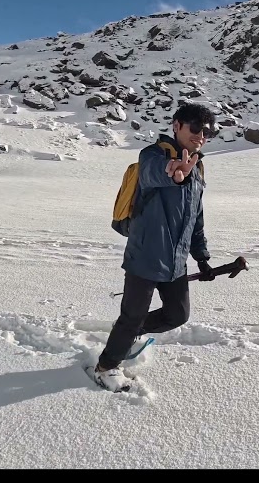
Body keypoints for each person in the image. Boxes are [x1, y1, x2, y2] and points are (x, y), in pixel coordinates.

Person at [93, 103, 218, 387]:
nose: (200, 136)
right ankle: (106, 366)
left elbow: (195, 218)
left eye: (207, 132)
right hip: (145, 255)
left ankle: (126, 331)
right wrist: (174, 175)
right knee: (132, 314)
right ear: (177, 126)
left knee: (178, 315)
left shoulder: (197, 168)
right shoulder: (152, 155)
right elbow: (153, 173)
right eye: (195, 128)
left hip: (176, 260)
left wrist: (201, 256)